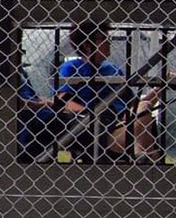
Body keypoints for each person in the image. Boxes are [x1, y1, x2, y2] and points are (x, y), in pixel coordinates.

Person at [53, 24, 129, 163]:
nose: (109, 43)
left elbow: (129, 100)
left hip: (118, 118)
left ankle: (143, 155)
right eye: (104, 39)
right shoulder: (71, 67)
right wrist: (89, 113)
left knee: (145, 108)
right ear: (88, 45)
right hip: (92, 119)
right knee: (97, 124)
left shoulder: (113, 70)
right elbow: (63, 100)